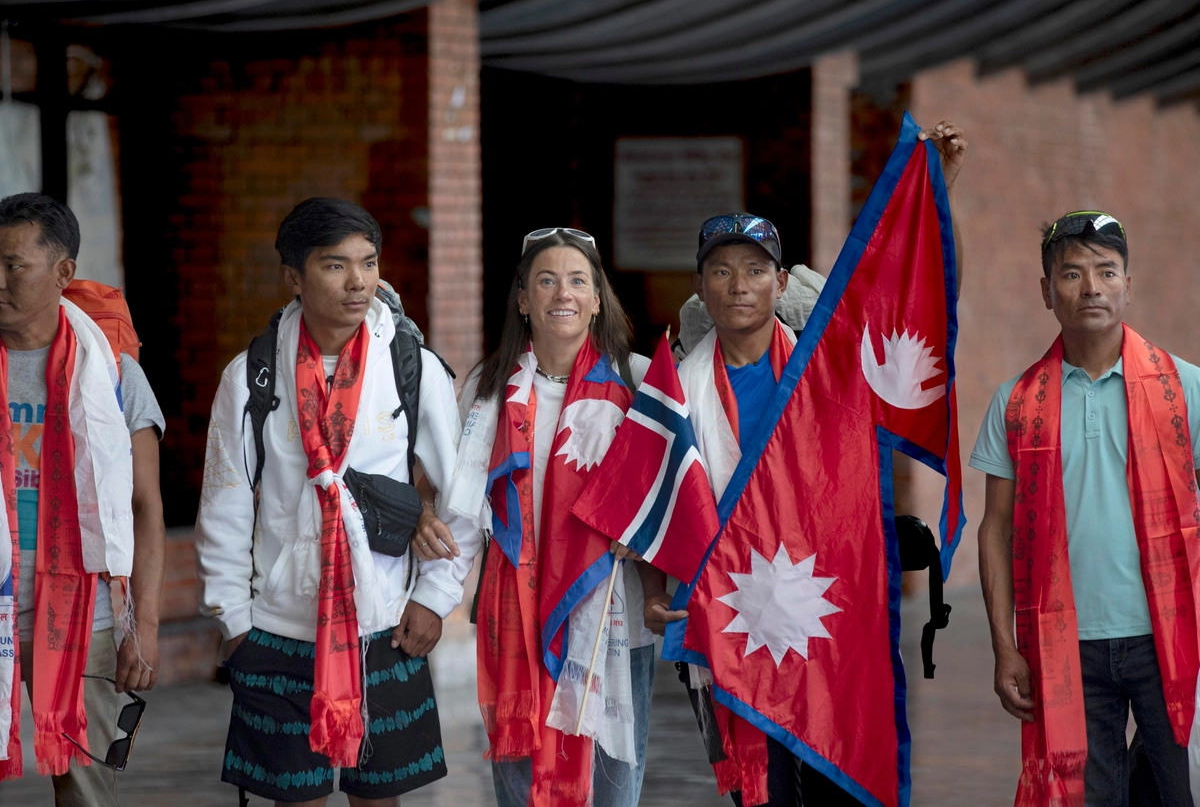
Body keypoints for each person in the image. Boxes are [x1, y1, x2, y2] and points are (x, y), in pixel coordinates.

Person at [646, 123, 967, 807]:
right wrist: (655, 585)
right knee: (758, 797)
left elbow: (921, 299)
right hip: (729, 616)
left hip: (827, 609)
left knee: (835, 786)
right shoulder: (673, 385)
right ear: (700, 285)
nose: (740, 285)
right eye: (723, 271)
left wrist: (937, 190)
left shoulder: (833, 370)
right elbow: (653, 494)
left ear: (781, 281)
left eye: (756, 270)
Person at [195, 197, 473, 807]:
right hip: (276, 627)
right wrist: (234, 622)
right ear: (293, 277)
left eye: (368, 263)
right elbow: (225, 503)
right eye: (335, 265)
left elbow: (460, 498)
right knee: (295, 801)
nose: (357, 282)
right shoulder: (251, 376)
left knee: (380, 799)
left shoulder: (413, 368)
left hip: (385, 623)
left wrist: (435, 597)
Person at [0, 192, 165, 807]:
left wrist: (146, 627)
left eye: (13, 265)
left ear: (62, 273)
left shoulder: (113, 372)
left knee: (86, 790)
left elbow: (145, 505)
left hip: (89, 618)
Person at [420, 227, 654, 807]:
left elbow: (672, 498)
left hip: (612, 613)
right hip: (515, 613)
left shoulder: (640, 382)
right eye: (545, 281)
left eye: (578, 280)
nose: (562, 294)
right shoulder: (488, 386)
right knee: (522, 786)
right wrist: (432, 596)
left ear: (598, 297)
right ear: (522, 298)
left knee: (614, 788)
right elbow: (463, 508)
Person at [973, 211, 1200, 807]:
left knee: (1184, 792)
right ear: (1047, 291)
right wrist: (1004, 644)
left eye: (1107, 271)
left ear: (1129, 283)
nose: (1091, 288)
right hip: (1064, 644)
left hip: (1171, 638)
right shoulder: (1015, 402)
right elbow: (994, 528)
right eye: (1072, 274)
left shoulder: (1185, 388)